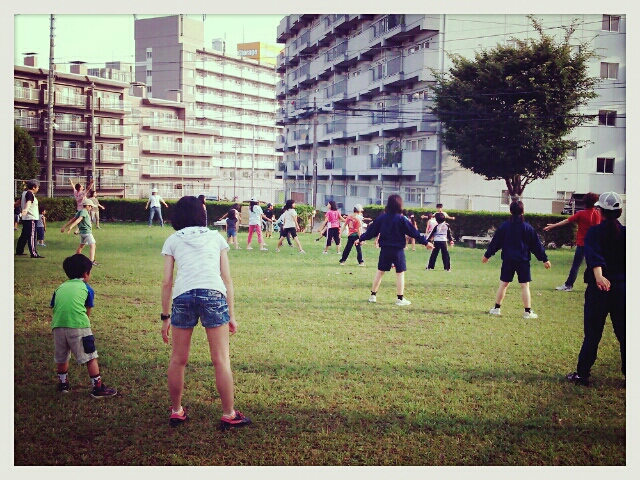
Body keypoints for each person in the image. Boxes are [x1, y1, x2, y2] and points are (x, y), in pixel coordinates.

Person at [161, 196, 251, 429]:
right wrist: (231, 315)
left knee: (178, 359)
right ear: (201, 214)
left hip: (182, 296)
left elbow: (167, 282)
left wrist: (165, 317)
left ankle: (176, 411)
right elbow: (227, 279)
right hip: (214, 294)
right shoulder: (215, 237)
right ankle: (229, 414)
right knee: (221, 359)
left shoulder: (172, 240)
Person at [566, 192, 625, 386]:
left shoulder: (594, 232)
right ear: (619, 211)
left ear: (600, 211)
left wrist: (599, 276)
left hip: (599, 291)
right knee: (626, 335)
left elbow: (594, 255)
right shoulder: (627, 233)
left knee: (592, 334)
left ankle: (583, 375)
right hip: (623, 290)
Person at [50, 253, 117, 398]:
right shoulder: (87, 288)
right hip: (78, 326)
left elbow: (54, 306)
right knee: (90, 356)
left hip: (57, 326)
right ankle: (98, 388)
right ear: (86, 273)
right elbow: (87, 311)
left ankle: (63, 385)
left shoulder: (59, 288)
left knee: (62, 357)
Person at [355, 194, 431, 306]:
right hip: (398, 250)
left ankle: (373, 296)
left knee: (380, 271)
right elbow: (413, 232)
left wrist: (360, 238)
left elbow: (371, 232)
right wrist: (426, 242)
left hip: (385, 249)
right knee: (400, 273)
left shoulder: (382, 218)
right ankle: (400, 299)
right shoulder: (402, 219)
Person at [481, 201, 551, 319]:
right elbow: (536, 245)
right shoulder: (527, 228)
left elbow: (496, 242)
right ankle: (527, 312)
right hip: (523, 261)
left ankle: (496, 308)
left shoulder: (504, 226)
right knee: (525, 286)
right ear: (523, 211)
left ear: (510, 211)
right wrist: (544, 259)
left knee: (503, 284)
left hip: (508, 260)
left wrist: (487, 255)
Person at [543, 192, 601, 292]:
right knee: (594, 266)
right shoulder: (598, 214)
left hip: (582, 244)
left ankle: (568, 285)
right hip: (594, 245)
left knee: (576, 266)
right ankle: (596, 285)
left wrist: (553, 225)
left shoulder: (581, 214)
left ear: (585, 202)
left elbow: (567, 221)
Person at [61, 198, 99, 266]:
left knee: (81, 246)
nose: (91, 208)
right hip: (87, 232)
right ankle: (91, 261)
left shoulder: (80, 211)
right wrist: (71, 227)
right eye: (91, 206)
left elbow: (73, 219)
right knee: (93, 245)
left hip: (82, 233)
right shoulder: (84, 212)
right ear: (87, 206)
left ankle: (76, 259)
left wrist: (65, 226)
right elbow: (79, 219)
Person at [15, 179, 44, 258]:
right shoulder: (30, 193)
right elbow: (28, 202)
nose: (38, 188)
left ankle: (19, 251)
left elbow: (18, 202)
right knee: (32, 236)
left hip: (26, 218)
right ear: (34, 187)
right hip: (31, 218)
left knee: (24, 235)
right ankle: (34, 253)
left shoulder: (24, 193)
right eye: (38, 187)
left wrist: (13, 206)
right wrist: (25, 210)